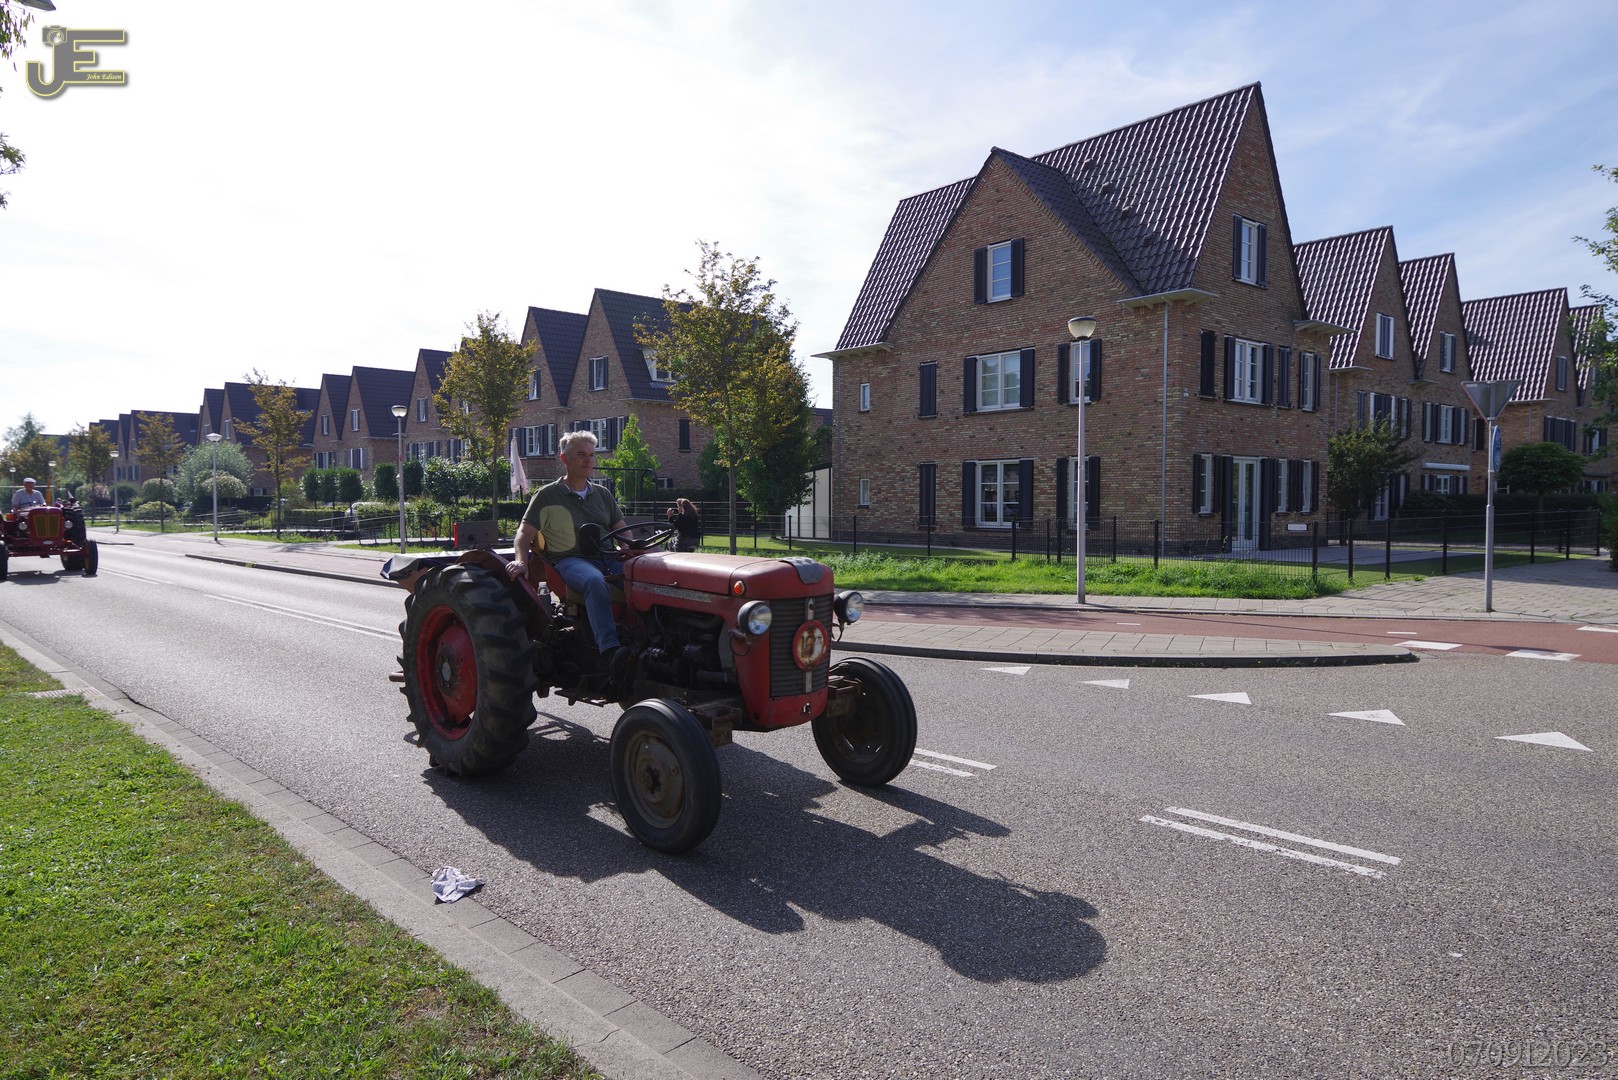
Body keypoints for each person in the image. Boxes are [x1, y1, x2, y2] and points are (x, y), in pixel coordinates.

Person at [506, 431, 630, 668]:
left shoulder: (603, 494)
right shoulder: (547, 495)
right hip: (570, 560)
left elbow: (622, 529)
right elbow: (524, 534)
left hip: (608, 556)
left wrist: (626, 548)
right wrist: (521, 561)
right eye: (581, 455)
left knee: (645, 574)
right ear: (565, 459)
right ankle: (610, 650)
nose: (588, 460)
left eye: (591, 455)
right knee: (594, 581)